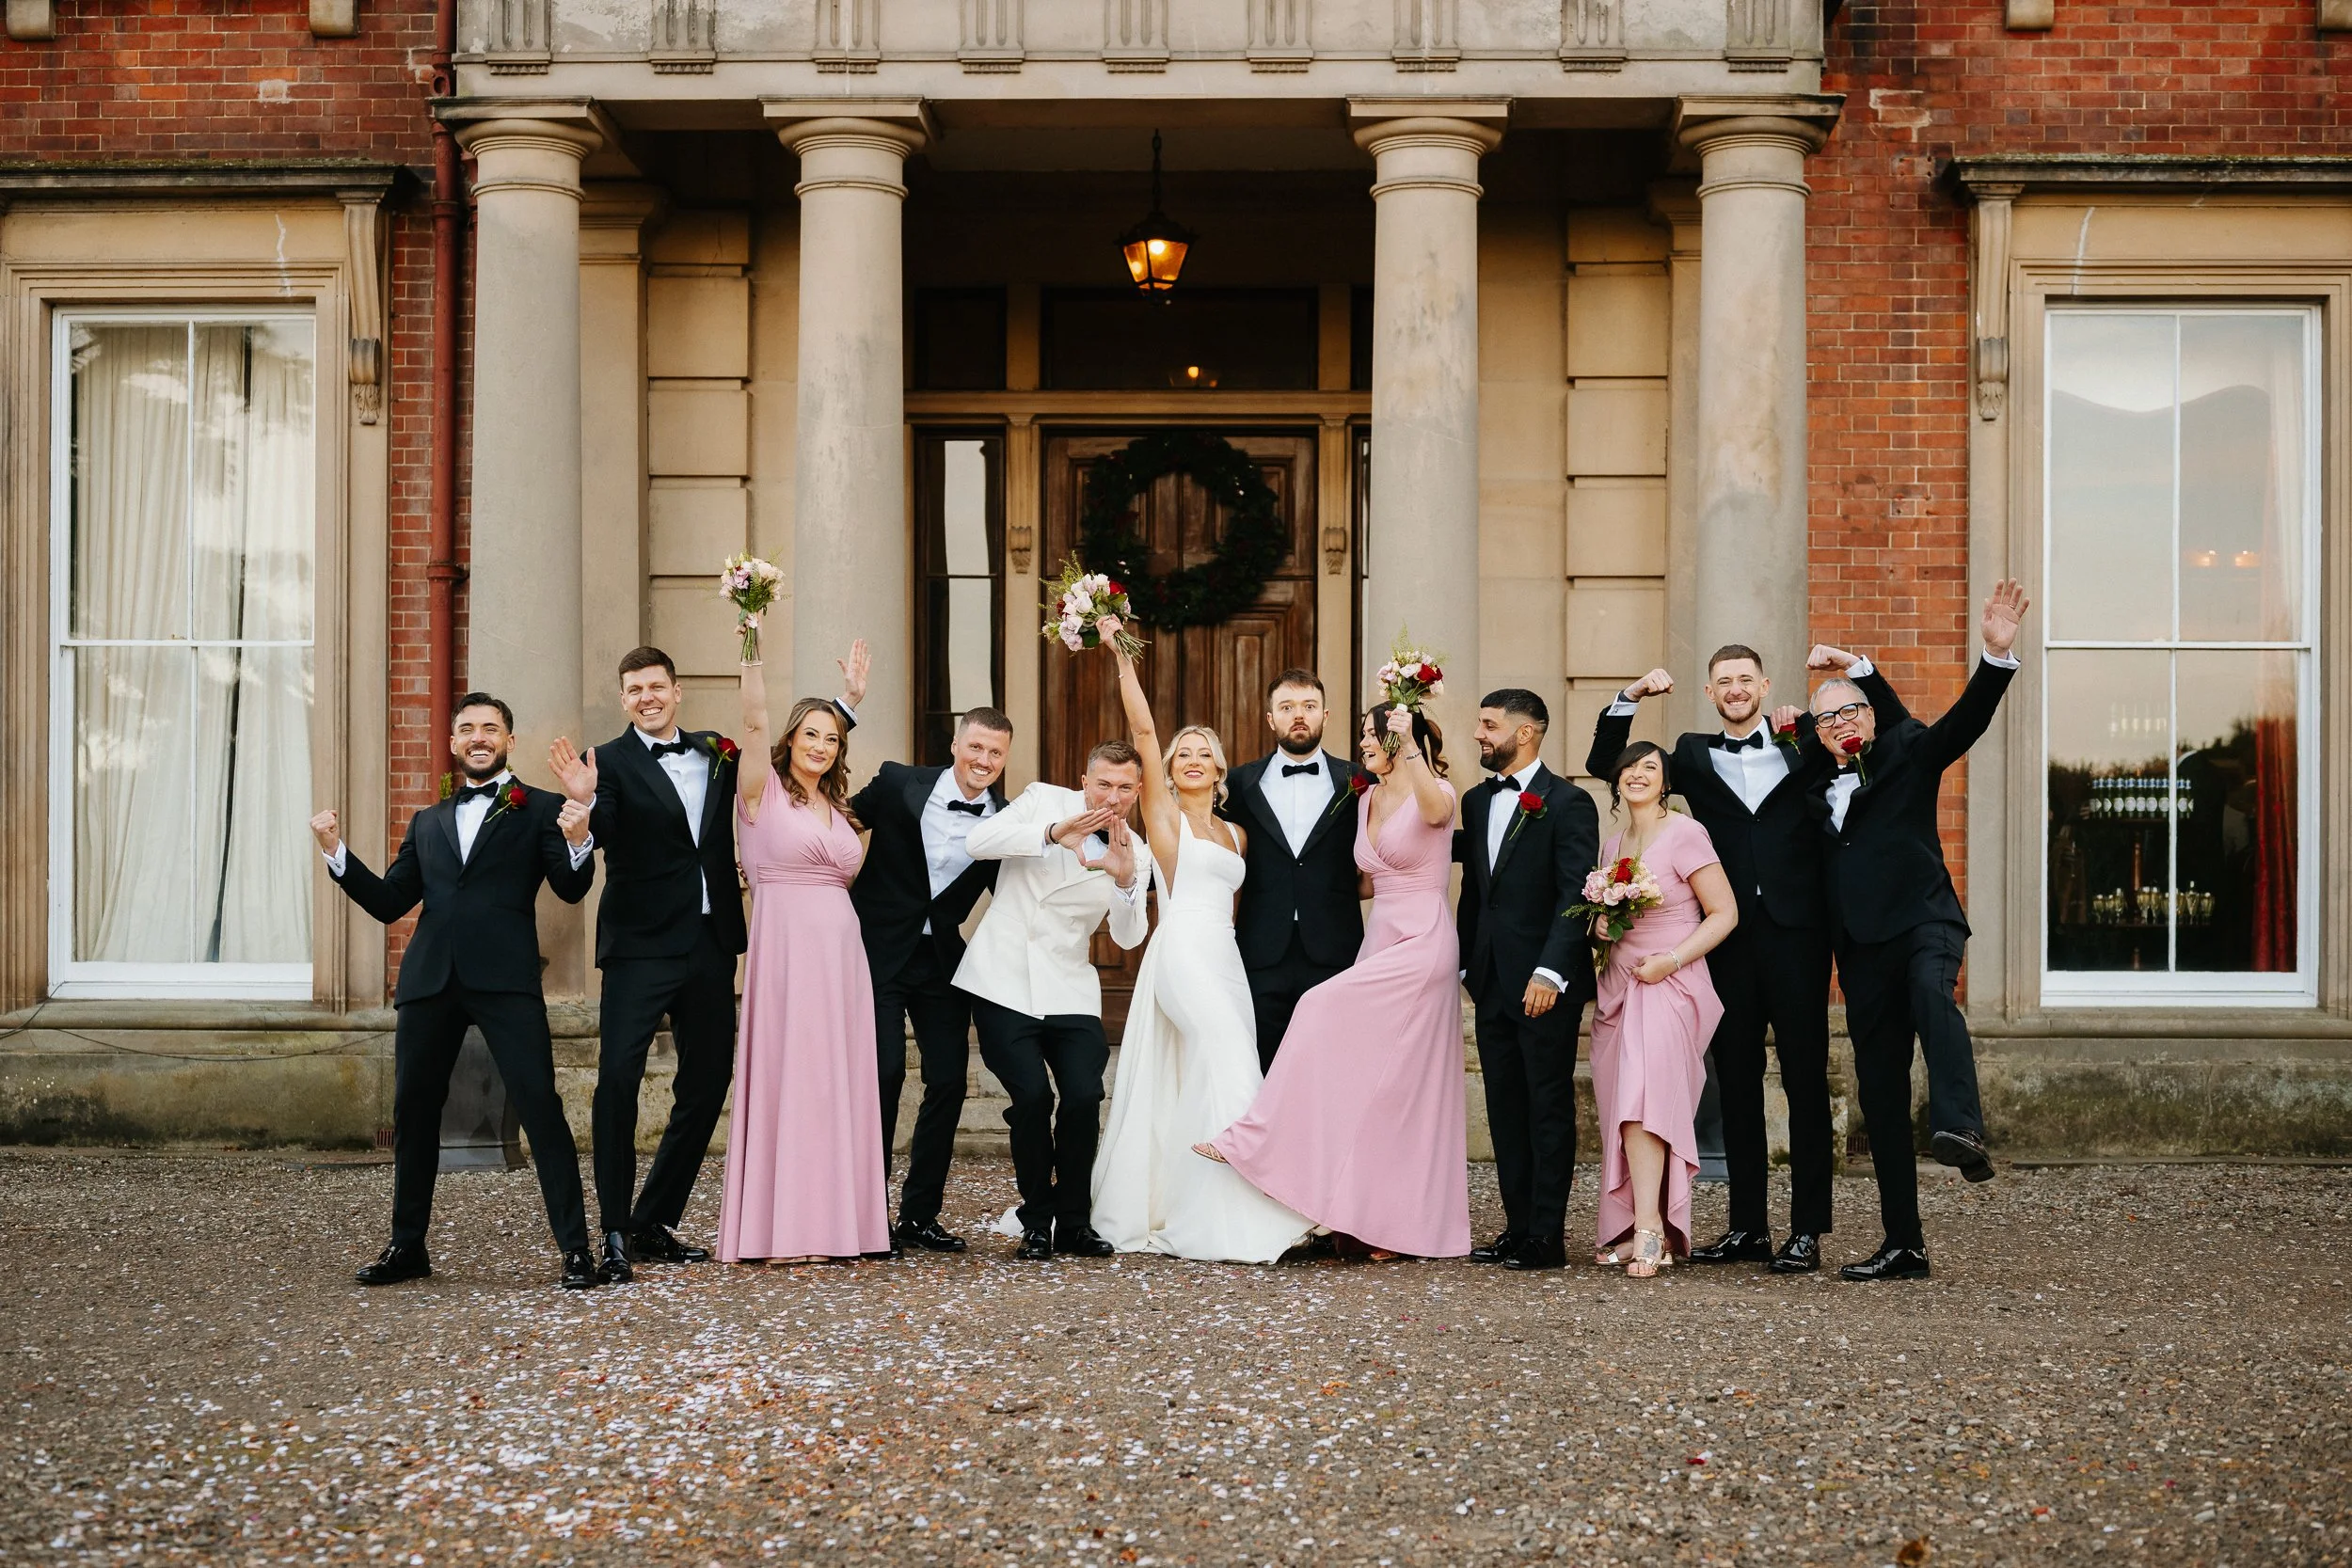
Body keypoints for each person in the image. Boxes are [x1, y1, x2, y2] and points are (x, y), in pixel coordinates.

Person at [548, 643, 865, 1284]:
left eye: (656, 685)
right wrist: (580, 820)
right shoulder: (602, 763)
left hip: (712, 942)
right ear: (624, 698)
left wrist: (846, 706)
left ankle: (653, 1218)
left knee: (708, 1079)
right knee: (617, 1081)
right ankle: (612, 1231)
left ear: (677, 689)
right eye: (634, 689)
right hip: (638, 946)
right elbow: (592, 839)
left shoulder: (717, 750)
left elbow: (788, 754)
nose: (647, 697)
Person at [310, 692, 602, 1291]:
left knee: (541, 1108)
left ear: (509, 741)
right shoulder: (428, 821)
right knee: (414, 1114)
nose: (478, 737)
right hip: (430, 982)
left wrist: (580, 836)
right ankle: (407, 1246)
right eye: (467, 728)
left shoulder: (544, 807)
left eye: (490, 728)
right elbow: (392, 902)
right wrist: (336, 854)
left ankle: (575, 1249)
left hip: (505, 981)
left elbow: (571, 891)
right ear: (452, 742)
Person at [1805, 579, 2029, 1283]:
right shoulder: (1813, 788)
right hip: (1861, 953)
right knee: (1878, 1090)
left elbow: (1962, 723)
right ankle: (1905, 1243)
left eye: (1850, 711)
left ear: (1870, 719)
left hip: (1924, 923)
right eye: (1826, 718)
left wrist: (1994, 658)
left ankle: (1961, 1125)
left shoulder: (1908, 752)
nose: (1840, 722)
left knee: (1937, 1002)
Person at [1588, 648, 1839, 1274]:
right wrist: (1633, 693)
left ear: (1764, 685)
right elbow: (1607, 765)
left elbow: (1848, 748)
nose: (1734, 689)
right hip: (1724, 940)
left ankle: (1807, 1228)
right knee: (1737, 1079)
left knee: (1806, 1079)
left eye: (1744, 680)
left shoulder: (1798, 742)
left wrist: (1806, 722)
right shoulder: (1693, 756)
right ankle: (1747, 1226)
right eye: (1723, 681)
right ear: (1709, 690)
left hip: (1796, 932)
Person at [1202, 704, 1470, 1262]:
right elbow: (1368, 882)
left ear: (1399, 741)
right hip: (1380, 936)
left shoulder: (1435, 789)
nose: (1364, 743)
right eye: (1366, 735)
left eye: (1373, 736)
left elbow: (1436, 813)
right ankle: (1368, 1217)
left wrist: (1410, 744)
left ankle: (1253, 1137)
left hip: (1422, 941)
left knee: (1320, 1009)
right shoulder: (1366, 797)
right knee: (1378, 1086)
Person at [1087, 624, 1312, 1262]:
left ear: (1218, 768)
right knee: (1224, 1048)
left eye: (1201, 752)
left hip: (1225, 957)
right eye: (1181, 751)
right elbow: (1143, 734)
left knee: (1222, 1060)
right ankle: (1248, 1183)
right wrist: (1121, 658)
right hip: (1181, 950)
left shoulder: (1238, 835)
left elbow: (1238, 908)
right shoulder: (1163, 817)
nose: (1189, 758)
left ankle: (1215, 1199)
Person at [715, 658, 888, 1264]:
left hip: (842, 957)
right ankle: (787, 1229)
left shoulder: (837, 807)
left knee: (833, 1082)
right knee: (795, 1078)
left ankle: (837, 1226)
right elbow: (755, 723)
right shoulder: (759, 792)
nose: (820, 746)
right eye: (809, 734)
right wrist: (753, 651)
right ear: (788, 741)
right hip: (787, 952)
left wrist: (849, 699)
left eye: (831, 738)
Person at [955, 743, 1150, 1259]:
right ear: (1083, 780)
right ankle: (1036, 1220)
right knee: (1034, 1100)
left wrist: (1126, 881)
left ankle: (1075, 1223)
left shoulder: (1137, 849)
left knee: (1084, 1097)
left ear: (1137, 792)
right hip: (1004, 980)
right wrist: (1051, 834)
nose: (1112, 796)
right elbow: (978, 840)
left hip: (1069, 985)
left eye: (1124, 787)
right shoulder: (1042, 800)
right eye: (1103, 784)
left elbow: (1129, 938)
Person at [847, 705, 1013, 1256]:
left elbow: (1023, 892)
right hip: (876, 949)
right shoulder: (899, 782)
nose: (983, 760)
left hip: (942, 960)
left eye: (995, 752)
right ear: (955, 746)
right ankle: (866, 1215)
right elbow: (837, 819)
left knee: (947, 1080)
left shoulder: (1006, 820)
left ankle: (918, 1215)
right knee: (885, 1070)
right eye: (976, 748)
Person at [1454, 689, 1599, 1273]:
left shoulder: (1569, 803)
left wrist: (1551, 971)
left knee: (1546, 1107)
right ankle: (1516, 1230)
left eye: (1489, 725)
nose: (1479, 734)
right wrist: (1468, 964)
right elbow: (1475, 894)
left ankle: (1547, 1236)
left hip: (1545, 984)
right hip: (1489, 980)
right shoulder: (1474, 799)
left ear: (1527, 732)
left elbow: (1575, 895)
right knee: (1503, 1107)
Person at [1586, 742, 1740, 1279]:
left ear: (1666, 782)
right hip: (1620, 985)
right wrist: (1600, 926)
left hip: (1668, 982)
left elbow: (1725, 914)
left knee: (1643, 1104)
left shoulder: (1685, 833)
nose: (1638, 773)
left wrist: (1672, 960)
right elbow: (1608, 918)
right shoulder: (1613, 846)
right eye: (1629, 765)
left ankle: (1652, 1225)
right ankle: (1634, 1226)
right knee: (1620, 1107)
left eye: (1650, 766)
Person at [1218, 671, 1364, 1071]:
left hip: (1335, 949)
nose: (1298, 716)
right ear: (1270, 719)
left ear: (1326, 715)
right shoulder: (1238, 785)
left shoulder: (1359, 782)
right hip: (1261, 947)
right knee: (1263, 1065)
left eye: (1308, 707)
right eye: (1287, 708)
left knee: (1332, 1065)